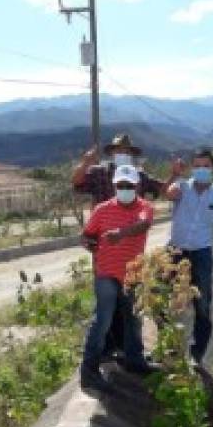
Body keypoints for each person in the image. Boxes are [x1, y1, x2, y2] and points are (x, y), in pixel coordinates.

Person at [72, 132, 183, 360]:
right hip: (103, 249)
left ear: (132, 155)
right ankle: (106, 348)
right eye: (118, 151)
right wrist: (85, 162)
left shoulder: (138, 177)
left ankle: (126, 350)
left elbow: (163, 191)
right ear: (111, 154)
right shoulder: (99, 173)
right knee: (106, 301)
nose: (122, 155)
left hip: (131, 252)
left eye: (126, 152)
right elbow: (77, 182)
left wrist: (173, 175)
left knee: (129, 301)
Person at [80, 164, 158, 394]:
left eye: (129, 185)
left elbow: (144, 224)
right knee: (102, 321)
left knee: (133, 320)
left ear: (137, 186)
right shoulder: (102, 210)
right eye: (121, 185)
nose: (125, 189)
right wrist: (89, 243)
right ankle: (89, 371)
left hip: (132, 275)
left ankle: (135, 360)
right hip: (106, 273)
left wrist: (120, 234)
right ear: (114, 186)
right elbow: (86, 235)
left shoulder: (144, 207)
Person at [166, 147, 213, 368]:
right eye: (197, 166)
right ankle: (171, 348)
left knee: (202, 305)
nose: (201, 170)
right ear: (192, 168)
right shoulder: (182, 188)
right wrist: (175, 173)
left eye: (206, 166)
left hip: (202, 254)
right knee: (170, 301)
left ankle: (197, 353)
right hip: (175, 253)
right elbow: (168, 193)